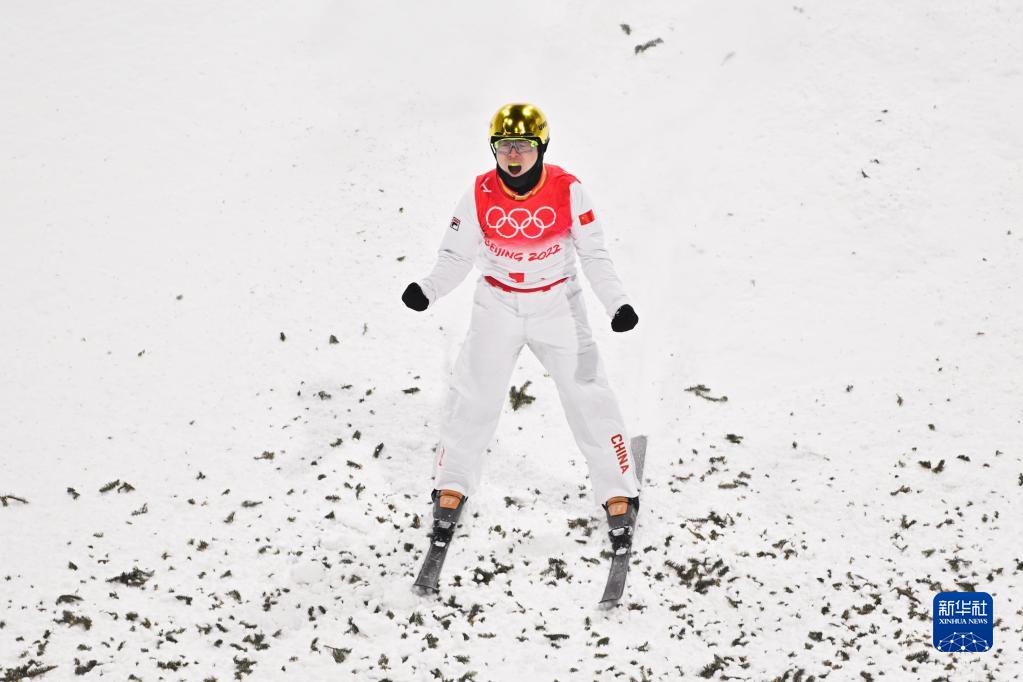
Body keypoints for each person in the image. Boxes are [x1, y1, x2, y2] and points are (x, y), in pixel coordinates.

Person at [401, 102, 641, 542]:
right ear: (494, 149)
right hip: (498, 304)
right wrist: (429, 288)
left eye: (523, 147)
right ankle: (452, 483)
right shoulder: (479, 192)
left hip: (556, 305)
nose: (513, 156)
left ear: (541, 147)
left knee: (586, 392)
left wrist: (617, 304)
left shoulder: (568, 190)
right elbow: (456, 255)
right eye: (505, 146)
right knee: (474, 393)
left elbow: (594, 254)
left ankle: (617, 489)